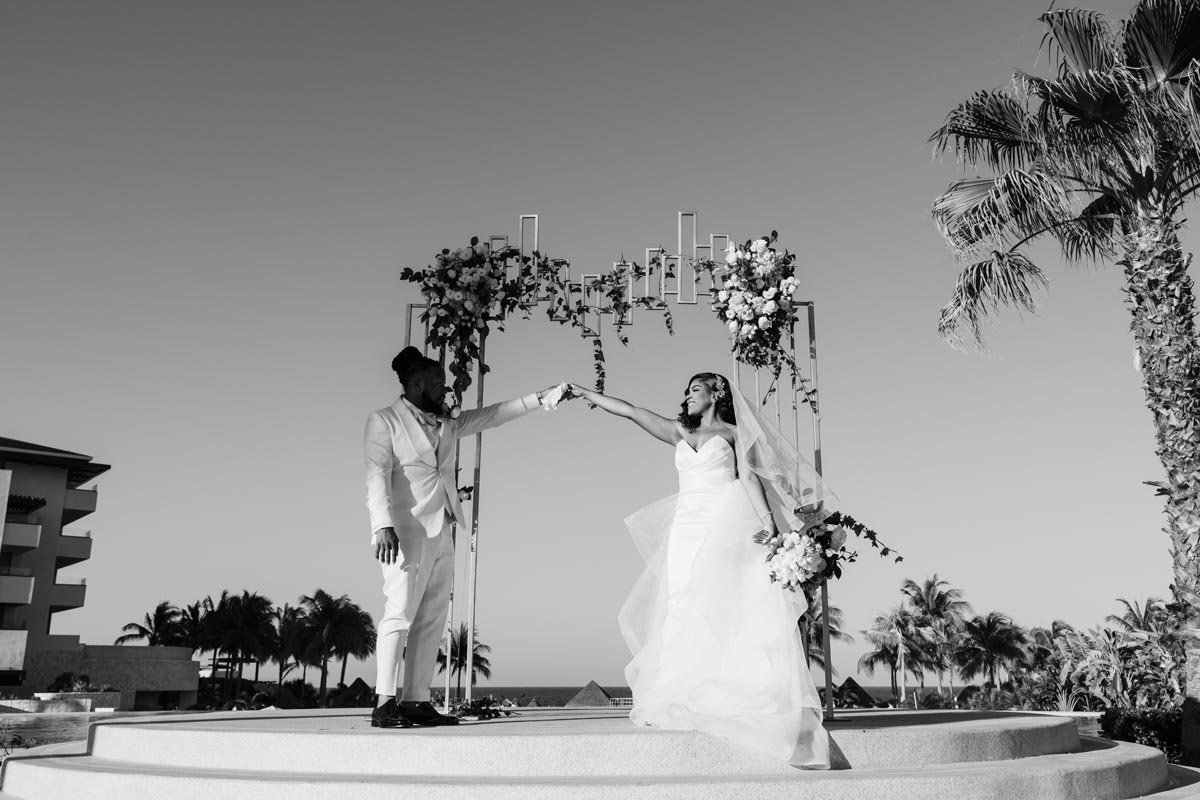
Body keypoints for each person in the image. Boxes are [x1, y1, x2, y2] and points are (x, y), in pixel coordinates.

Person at [566, 373, 833, 767]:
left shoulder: (734, 434)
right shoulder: (680, 431)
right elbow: (632, 411)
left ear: (715, 394)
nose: (687, 396)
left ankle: (725, 692)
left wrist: (768, 523)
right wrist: (586, 393)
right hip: (685, 526)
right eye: (687, 390)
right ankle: (680, 695)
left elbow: (750, 479)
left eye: (695, 389)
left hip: (723, 522)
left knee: (719, 601)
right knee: (681, 601)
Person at [365, 346, 566, 728]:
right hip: (405, 530)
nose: (446, 388)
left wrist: (539, 398)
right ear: (417, 383)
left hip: (443, 529)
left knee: (432, 617)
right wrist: (382, 525)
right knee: (400, 612)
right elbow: (376, 475)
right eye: (439, 382)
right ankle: (384, 702)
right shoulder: (384, 421)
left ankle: (416, 699)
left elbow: (492, 416)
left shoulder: (447, 422)